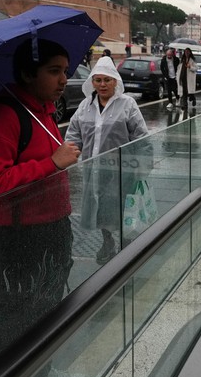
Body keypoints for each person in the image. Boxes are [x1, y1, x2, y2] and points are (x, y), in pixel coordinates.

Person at [0, 38, 87, 377]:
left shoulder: (43, 113)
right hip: (13, 238)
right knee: (10, 321)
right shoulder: (3, 117)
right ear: (26, 73)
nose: (63, 79)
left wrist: (54, 161)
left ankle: (39, 376)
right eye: (54, 70)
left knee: (46, 308)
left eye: (65, 70)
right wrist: (50, 163)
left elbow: (43, 166)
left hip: (51, 229)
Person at [64, 56, 149, 264]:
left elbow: (141, 136)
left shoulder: (127, 105)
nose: (102, 85)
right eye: (98, 80)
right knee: (100, 206)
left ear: (115, 82)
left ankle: (127, 244)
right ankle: (107, 241)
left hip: (123, 169)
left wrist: (143, 166)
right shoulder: (85, 106)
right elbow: (73, 134)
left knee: (123, 206)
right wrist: (72, 153)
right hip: (94, 169)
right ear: (92, 82)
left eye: (107, 80)